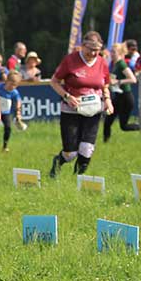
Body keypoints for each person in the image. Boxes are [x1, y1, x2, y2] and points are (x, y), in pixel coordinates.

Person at [48, 31, 113, 178]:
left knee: (87, 149)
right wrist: (67, 96)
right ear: (83, 46)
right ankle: (58, 162)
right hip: (71, 110)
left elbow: (105, 84)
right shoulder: (70, 60)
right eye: (91, 49)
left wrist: (108, 100)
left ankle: (77, 180)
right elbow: (54, 82)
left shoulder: (102, 62)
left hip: (94, 110)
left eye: (97, 50)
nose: (94, 53)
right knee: (70, 153)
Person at [104, 43, 139, 142]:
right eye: (111, 52)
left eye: (114, 52)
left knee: (124, 126)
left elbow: (133, 79)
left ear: (119, 53)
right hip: (118, 96)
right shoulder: (115, 64)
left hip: (126, 97)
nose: (111, 54)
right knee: (107, 121)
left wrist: (118, 82)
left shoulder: (121, 64)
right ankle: (106, 143)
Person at [0, 71, 21, 151]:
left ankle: (5, 146)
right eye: (11, 84)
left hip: (6, 112)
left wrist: (18, 113)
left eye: (15, 85)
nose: (12, 87)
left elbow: (18, 102)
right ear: (7, 81)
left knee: (8, 127)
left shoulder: (14, 92)